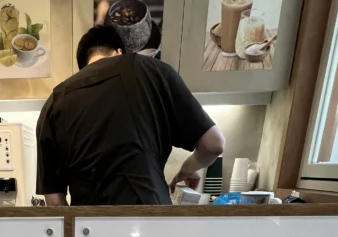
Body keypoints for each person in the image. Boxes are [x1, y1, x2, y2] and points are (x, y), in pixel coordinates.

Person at [36, 25, 225, 205]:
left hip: (90, 231)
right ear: (119, 52)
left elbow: (54, 201)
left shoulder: (55, 101)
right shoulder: (154, 71)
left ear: (83, 68)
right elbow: (213, 144)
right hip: (151, 219)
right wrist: (187, 169)